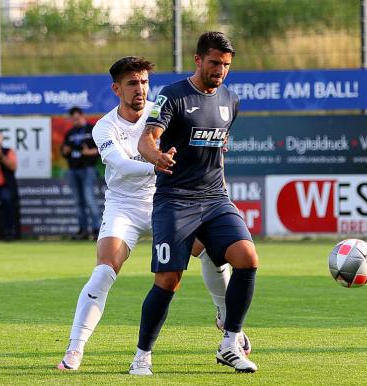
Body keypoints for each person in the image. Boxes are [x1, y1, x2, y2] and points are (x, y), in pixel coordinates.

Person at [57, 56, 250, 372]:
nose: (140, 89)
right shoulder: (105, 126)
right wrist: (155, 163)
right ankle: (75, 349)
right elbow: (118, 164)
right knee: (104, 270)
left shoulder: (162, 113)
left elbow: (198, 138)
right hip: (124, 207)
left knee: (214, 253)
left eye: (144, 82)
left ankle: (225, 316)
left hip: (169, 201)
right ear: (116, 88)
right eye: (132, 83)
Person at [130, 31, 259, 375]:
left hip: (215, 198)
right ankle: (142, 355)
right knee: (169, 279)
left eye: (226, 65)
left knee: (246, 259)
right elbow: (147, 139)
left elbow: (219, 149)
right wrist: (156, 156)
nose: (220, 70)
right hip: (175, 200)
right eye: (214, 62)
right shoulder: (171, 96)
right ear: (198, 59)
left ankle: (230, 343)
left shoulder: (231, 100)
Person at [61, 106, 101, 240]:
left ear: (82, 116)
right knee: (78, 201)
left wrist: (88, 152)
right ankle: (83, 230)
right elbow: (64, 151)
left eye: (77, 117)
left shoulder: (92, 130)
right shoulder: (70, 133)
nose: (75, 120)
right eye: (73, 118)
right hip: (73, 169)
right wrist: (65, 151)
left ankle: (97, 229)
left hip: (88, 168)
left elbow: (101, 149)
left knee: (89, 198)